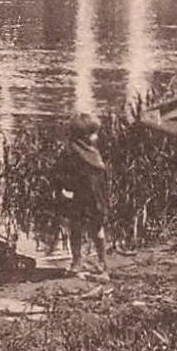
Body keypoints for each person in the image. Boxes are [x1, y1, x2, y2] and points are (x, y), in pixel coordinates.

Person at [53, 113, 112, 280]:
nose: (97, 136)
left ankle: (78, 262)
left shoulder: (72, 151)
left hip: (81, 198)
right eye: (94, 133)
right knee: (95, 230)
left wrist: (63, 189)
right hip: (93, 199)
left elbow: (60, 173)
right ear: (85, 136)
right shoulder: (91, 153)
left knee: (77, 230)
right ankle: (100, 262)